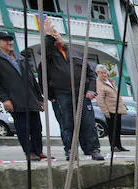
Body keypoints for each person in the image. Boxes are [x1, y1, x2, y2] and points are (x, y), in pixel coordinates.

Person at [39, 20, 103, 160]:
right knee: (67, 124)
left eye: (57, 35)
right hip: (62, 94)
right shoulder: (48, 55)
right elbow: (43, 76)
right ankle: (70, 150)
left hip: (82, 93)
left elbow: (91, 74)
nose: (56, 39)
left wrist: (91, 90)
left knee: (88, 123)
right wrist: (51, 96)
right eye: (53, 37)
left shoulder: (77, 53)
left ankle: (93, 149)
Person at [0, 30, 47, 160]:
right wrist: (4, 99)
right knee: (23, 127)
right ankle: (29, 152)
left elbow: (32, 79)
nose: (10, 43)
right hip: (14, 99)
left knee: (36, 127)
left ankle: (39, 151)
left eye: (10, 40)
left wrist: (39, 98)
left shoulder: (21, 58)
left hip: (31, 98)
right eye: (6, 40)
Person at [94, 64, 127, 153]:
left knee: (118, 129)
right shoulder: (99, 84)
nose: (104, 75)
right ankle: (113, 146)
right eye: (102, 73)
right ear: (98, 73)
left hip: (117, 109)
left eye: (105, 73)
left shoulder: (110, 81)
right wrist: (105, 112)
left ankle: (119, 146)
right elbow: (100, 99)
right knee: (112, 129)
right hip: (110, 110)